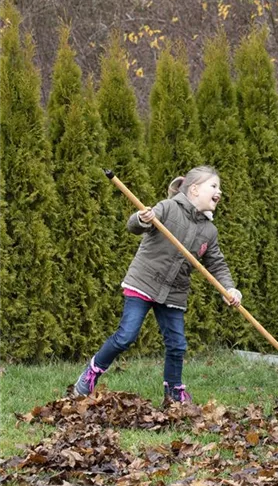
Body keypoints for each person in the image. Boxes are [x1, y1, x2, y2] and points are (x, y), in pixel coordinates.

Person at [73, 166, 242, 404]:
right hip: (144, 282)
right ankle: (92, 372)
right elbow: (133, 226)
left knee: (177, 344)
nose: (219, 191)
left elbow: (217, 264)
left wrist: (229, 288)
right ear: (194, 190)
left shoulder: (209, 230)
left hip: (174, 293)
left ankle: (173, 392)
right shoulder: (168, 207)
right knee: (126, 336)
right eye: (213, 186)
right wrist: (143, 219)